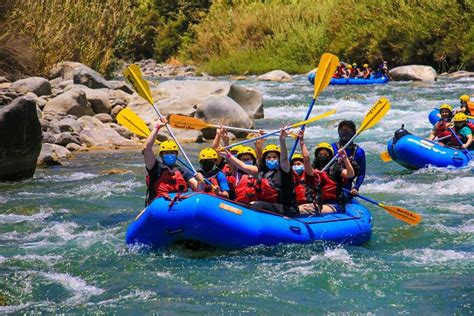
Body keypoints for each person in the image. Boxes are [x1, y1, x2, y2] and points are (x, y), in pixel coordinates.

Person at [222, 128, 296, 216]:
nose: (271, 159)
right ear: (265, 160)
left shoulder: (284, 170)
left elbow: (284, 158)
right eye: (269, 157)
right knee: (252, 204)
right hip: (269, 208)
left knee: (257, 204)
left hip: (286, 209)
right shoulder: (261, 172)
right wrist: (228, 155)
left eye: (274, 157)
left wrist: (282, 140)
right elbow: (243, 166)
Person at [143, 118, 198, 205]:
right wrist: (157, 128)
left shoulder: (183, 171)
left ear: (176, 154)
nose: (170, 155)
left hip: (180, 205)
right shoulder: (155, 168)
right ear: (161, 155)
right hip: (159, 206)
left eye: (172, 152)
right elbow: (147, 149)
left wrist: (201, 180)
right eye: (167, 153)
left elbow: (198, 188)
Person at [297, 138, 355, 215]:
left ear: (330, 156)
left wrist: (345, 158)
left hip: (334, 204)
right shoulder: (314, 169)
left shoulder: (336, 168)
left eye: (325, 154)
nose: (322, 156)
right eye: (320, 154)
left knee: (304, 209)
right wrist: (301, 142)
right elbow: (306, 159)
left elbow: (350, 174)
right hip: (317, 201)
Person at [331, 120, 365, 197]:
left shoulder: (359, 152)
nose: (344, 133)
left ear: (353, 133)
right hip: (331, 186)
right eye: (342, 130)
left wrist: (356, 188)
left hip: (347, 189)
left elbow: (361, 173)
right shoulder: (332, 148)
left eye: (348, 131)